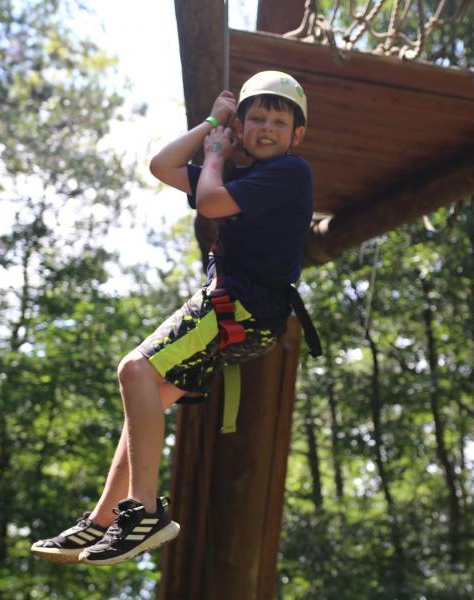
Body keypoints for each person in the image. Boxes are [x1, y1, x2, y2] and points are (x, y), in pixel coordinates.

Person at [30, 71, 315, 567]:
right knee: (144, 403)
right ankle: (102, 520)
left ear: (297, 135)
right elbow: (161, 165)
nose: (267, 128)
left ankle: (141, 513)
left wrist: (216, 154)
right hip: (247, 315)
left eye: (279, 120)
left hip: (241, 305)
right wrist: (212, 123)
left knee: (133, 370)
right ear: (243, 126)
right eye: (257, 119)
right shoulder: (241, 174)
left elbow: (208, 202)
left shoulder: (291, 172)